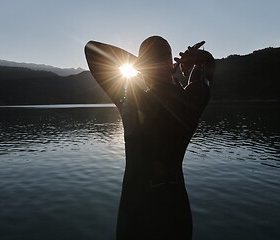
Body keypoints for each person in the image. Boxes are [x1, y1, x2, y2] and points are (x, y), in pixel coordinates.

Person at [85, 36, 215, 240]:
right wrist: (198, 58)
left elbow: (92, 49)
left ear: (142, 66)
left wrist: (147, 66)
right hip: (177, 210)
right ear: (170, 61)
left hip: (136, 212)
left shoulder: (134, 100)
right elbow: (206, 71)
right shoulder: (192, 101)